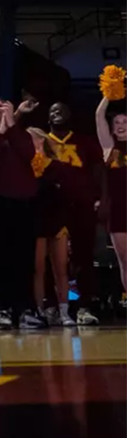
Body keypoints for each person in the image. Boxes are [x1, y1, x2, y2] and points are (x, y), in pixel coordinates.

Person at [31, 103, 102, 326]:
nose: (57, 113)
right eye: (52, 111)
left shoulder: (85, 141)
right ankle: (50, 305)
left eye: (62, 109)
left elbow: (99, 171)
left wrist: (101, 198)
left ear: (72, 115)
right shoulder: (38, 142)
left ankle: (84, 306)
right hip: (48, 210)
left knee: (83, 257)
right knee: (47, 262)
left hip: (81, 205)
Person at [0, 98, 43, 330]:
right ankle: (3, 309)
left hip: (23, 201)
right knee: (2, 259)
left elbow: (28, 154)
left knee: (24, 259)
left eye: (1, 105)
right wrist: (2, 132)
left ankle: (25, 309)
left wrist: (12, 126)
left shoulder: (21, 134)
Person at [95, 97, 127, 300]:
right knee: (124, 260)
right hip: (118, 208)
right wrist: (109, 92)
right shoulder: (109, 146)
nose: (121, 126)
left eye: (125, 122)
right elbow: (98, 116)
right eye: (117, 123)